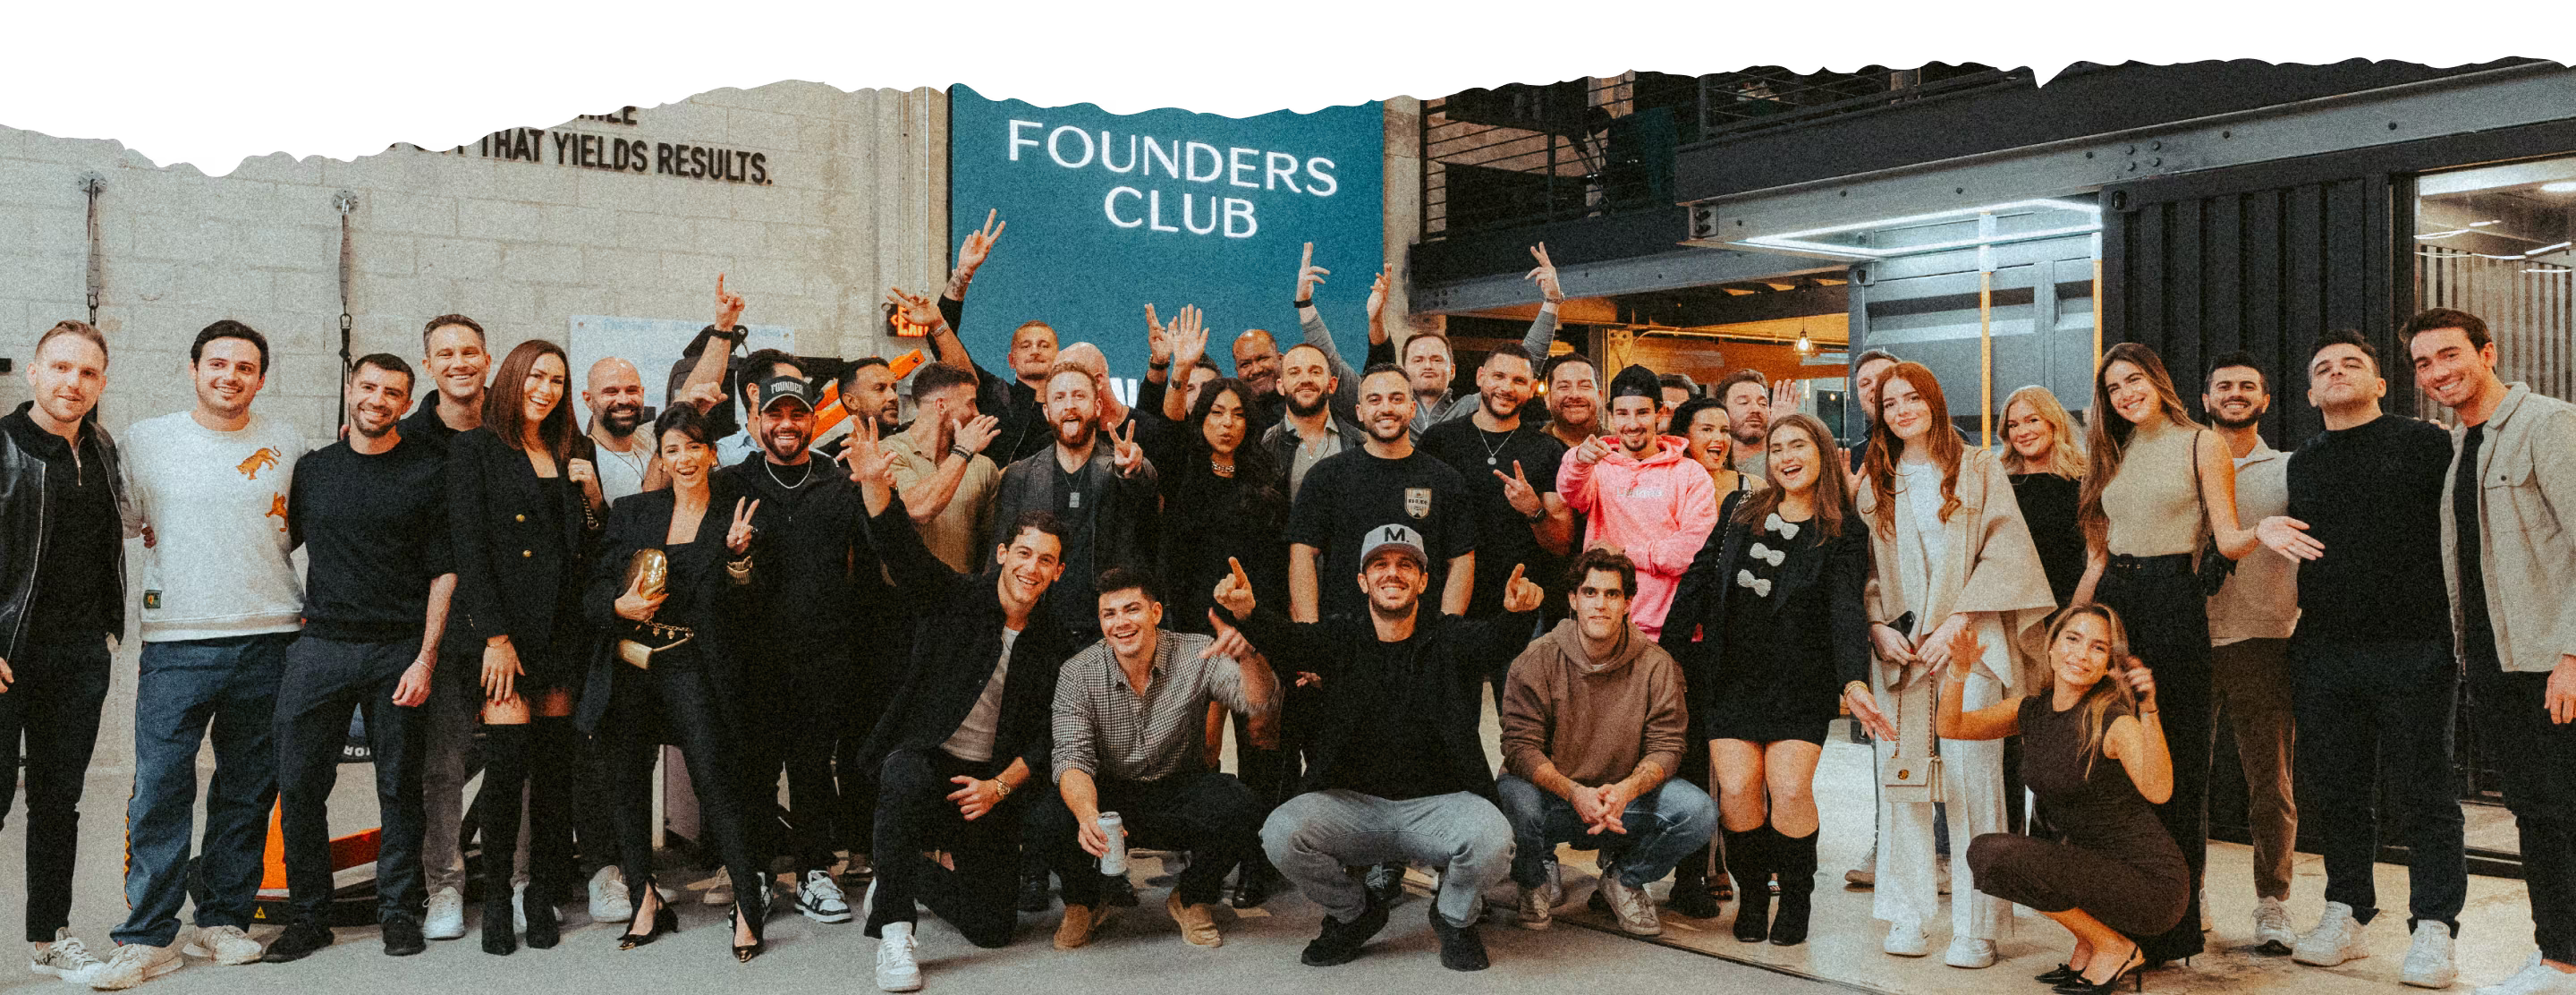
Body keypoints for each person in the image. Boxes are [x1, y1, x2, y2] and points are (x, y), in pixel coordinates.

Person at [2246, 330, 2466, 985]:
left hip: (2416, 645)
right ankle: (2346, 910)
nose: (2337, 373)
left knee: (2426, 793)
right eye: (2323, 368)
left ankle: (2434, 928)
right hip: (2325, 651)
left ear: (2379, 384)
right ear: (2311, 393)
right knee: (2339, 791)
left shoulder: (2425, 443)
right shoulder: (2302, 463)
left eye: (2353, 365)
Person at [1225, 525, 1546, 972]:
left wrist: (1516, 615)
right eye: (1380, 564)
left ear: (1423, 581)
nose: (1392, 574)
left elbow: (1496, 642)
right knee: (1280, 833)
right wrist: (1249, 612)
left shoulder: (1449, 637)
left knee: (1493, 838)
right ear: (1363, 581)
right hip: (1356, 808)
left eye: (1405, 565)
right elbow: (1290, 642)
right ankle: (1354, 914)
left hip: (1438, 806)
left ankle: (1453, 917)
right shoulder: (1341, 637)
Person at [94, 320, 308, 989]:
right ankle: (149, 933)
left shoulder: (288, 443)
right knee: (160, 786)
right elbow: (122, 524)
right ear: (193, 370)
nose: (230, 377)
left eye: (245, 368)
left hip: (271, 635)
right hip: (177, 641)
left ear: (261, 378)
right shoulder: (146, 442)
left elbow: (299, 524)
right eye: (217, 365)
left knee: (247, 789)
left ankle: (222, 919)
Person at [845, 428, 1078, 992]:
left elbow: (1051, 737)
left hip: (987, 785)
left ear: (1058, 573)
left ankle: (901, 872)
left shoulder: (1056, 642)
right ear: (1002, 555)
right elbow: (901, 549)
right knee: (903, 771)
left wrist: (1000, 786)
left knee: (994, 928)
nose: (1031, 567)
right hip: (926, 767)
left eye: (1046, 560)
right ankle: (896, 932)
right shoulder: (952, 599)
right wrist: (878, 489)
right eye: (1023, 553)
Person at [1849, 361, 2055, 968]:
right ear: (1880, 416)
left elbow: (2006, 555)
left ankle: (1978, 924)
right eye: (1891, 404)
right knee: (1904, 785)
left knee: (1975, 785)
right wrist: (1878, 626)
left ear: (1936, 402)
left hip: (1970, 646)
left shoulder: (1981, 469)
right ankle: (1910, 913)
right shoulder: (1873, 483)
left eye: (1914, 398)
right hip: (1903, 654)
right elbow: (1859, 571)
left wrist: (1960, 622)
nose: (1903, 410)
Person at [2071, 341, 2259, 968]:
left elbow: (2227, 536)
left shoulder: (2202, 441)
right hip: (2116, 605)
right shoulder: (2113, 452)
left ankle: (2171, 929)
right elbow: (2100, 552)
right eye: (2113, 388)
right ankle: (2113, 923)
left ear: (2158, 379)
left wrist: (2265, 533)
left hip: (2171, 603)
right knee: (2108, 762)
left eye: (2133, 380)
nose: (2125, 394)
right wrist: (2074, 623)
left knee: (2172, 763)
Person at [2406, 308, 2576, 995]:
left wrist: (2572, 655)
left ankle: (2561, 962)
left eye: (2450, 355)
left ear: (2488, 352)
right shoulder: (2461, 446)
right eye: (2422, 363)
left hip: (2549, 662)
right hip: (2496, 663)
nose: (2437, 372)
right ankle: (2562, 956)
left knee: (2555, 813)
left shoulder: (2549, 425)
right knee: (2539, 812)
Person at [258, 355, 451, 965]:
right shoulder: (313, 470)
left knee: (399, 787)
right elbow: (273, 539)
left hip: (397, 649)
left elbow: (445, 573)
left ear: (406, 401)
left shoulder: (428, 472)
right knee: (299, 783)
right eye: (368, 387)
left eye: (392, 392)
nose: (377, 399)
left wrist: (424, 659)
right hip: (320, 647)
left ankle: (398, 912)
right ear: (350, 389)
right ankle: (309, 916)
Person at [1664, 412, 1870, 946]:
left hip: (1800, 682)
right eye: (1776, 448)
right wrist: (1667, 656)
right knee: (1736, 790)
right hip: (1731, 675)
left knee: (1790, 787)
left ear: (1821, 451)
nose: (1785, 456)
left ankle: (1796, 897)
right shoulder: (1738, 510)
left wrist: (1853, 680)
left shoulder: (1844, 529)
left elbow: (1845, 609)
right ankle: (1753, 895)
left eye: (1798, 445)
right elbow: (1699, 576)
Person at [580, 405, 771, 960]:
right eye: (672, 449)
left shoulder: (735, 514)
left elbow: (751, 605)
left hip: (695, 664)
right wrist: (619, 605)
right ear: (659, 456)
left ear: (712, 453)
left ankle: (747, 902)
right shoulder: (634, 511)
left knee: (716, 780)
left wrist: (739, 559)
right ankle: (645, 898)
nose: (684, 459)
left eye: (695, 447)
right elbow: (592, 592)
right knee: (627, 782)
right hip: (633, 661)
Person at [445, 338, 606, 957]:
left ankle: (542, 895)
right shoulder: (476, 450)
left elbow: (595, 544)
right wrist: (493, 637)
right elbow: (471, 549)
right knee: (507, 770)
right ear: (512, 379)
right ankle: (495, 905)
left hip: (563, 631)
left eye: (558, 381)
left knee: (554, 774)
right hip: (506, 636)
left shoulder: (575, 449)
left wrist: (591, 494)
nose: (546, 389)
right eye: (537, 376)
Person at [716, 358, 883, 926]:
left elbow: (873, 563)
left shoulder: (840, 484)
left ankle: (815, 870)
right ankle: (758, 873)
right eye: (775, 414)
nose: (786, 423)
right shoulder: (732, 483)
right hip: (753, 657)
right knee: (755, 770)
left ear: (812, 420)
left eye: (797, 413)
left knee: (813, 767)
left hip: (824, 654)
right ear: (756, 419)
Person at [1945, 607, 2184, 995]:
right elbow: (1951, 726)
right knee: (1991, 856)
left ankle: (2114, 945)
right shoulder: (2030, 711)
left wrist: (2149, 708)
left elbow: (2159, 791)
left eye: (2097, 647)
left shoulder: (2114, 720)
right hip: (2094, 870)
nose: (2081, 654)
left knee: (1993, 854)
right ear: (2051, 648)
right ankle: (2092, 941)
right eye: (2072, 639)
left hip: (2150, 884)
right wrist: (1959, 669)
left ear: (2108, 664)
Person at [1038, 566, 1277, 949]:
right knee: (1047, 817)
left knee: (1242, 806)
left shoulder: (1196, 652)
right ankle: (1084, 900)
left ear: (1156, 612)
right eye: (1109, 614)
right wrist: (1086, 816)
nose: (1121, 623)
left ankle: (1191, 896)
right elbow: (1071, 757)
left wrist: (1248, 656)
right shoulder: (1077, 672)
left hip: (1177, 789)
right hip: (1109, 796)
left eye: (1131, 609)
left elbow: (1262, 702)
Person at [2, 321, 139, 986]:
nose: (72, 383)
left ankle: (48, 938)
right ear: (33, 372)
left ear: (101, 383)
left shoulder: (104, 447)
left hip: (80, 656)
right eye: (59, 368)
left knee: (58, 802)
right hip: (6, 657)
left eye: (86, 373)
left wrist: (106, 635)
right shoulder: (2, 446)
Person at [1132, 363, 1297, 908]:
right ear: (1202, 419)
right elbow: (1164, 426)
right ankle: (1208, 854)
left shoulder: (1264, 479)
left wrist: (1266, 627)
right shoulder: (1180, 472)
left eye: (1237, 415)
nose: (1227, 424)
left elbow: (1275, 562)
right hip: (1191, 633)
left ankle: (1257, 857)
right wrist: (1176, 368)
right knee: (1201, 746)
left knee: (1260, 739)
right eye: (1216, 413)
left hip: (1254, 627)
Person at [1496, 548, 1715, 938]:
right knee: (1511, 797)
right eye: (1591, 593)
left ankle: (1624, 879)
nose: (1600, 604)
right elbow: (1519, 746)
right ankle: (1534, 877)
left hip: (1621, 802)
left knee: (1698, 812)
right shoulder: (1537, 658)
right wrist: (1573, 790)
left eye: (1612, 595)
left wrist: (1628, 789)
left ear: (1629, 603)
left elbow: (1668, 745)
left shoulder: (1657, 664)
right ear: (1573, 599)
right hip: (1555, 797)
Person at [2198, 353, 2301, 955]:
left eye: (2247, 387)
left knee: (2271, 781)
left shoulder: (2287, 470)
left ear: (2264, 398)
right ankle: (2191, 890)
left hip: (2263, 641)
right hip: (2189, 639)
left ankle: (2273, 902)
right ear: (2205, 397)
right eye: (2224, 386)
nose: (2235, 394)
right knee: (2189, 779)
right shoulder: (2184, 459)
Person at [404, 313, 496, 941]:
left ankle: (522, 881)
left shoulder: (516, 430)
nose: (459, 362)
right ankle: (444, 885)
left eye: (470, 351)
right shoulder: (405, 440)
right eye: (446, 353)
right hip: (439, 629)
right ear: (429, 366)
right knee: (442, 766)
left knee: (519, 760)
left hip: (508, 628)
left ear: (487, 359)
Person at [1298, 242, 1562, 435]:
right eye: (1418, 359)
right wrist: (1305, 303)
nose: (1428, 365)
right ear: (1403, 369)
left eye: (1437, 359)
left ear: (1453, 370)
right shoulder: (1379, 404)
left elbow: (1524, 364)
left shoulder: (1472, 408)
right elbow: (1329, 363)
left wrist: (1551, 302)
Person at [1286, 365, 1478, 625]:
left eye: (1396, 399)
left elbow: (1462, 561)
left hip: (1422, 645)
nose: (1386, 408)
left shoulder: (1446, 480)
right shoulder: (1326, 476)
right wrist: (1309, 636)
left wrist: (1446, 634)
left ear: (1412, 408)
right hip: (1344, 639)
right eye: (1374, 400)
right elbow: (1302, 555)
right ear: (1360, 412)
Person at [989, 361, 1157, 651]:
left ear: (1097, 406)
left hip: (1107, 632)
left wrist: (1133, 468)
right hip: (1036, 631)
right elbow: (998, 561)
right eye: (1059, 397)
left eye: (1079, 396)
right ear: (1046, 411)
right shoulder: (1020, 474)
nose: (1069, 405)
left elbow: (1145, 488)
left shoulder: (1120, 467)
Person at [1557, 365, 1719, 640]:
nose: (1632, 424)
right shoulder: (1597, 466)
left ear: (1660, 412)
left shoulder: (1691, 474)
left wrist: (1622, 552)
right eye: (1622, 413)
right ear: (1610, 414)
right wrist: (1577, 460)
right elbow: (1570, 493)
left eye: (1642, 412)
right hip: (1604, 628)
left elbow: (1693, 552)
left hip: (1673, 630)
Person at [1419, 345, 1573, 628]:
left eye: (1518, 381)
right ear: (1480, 377)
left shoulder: (1548, 451)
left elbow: (1562, 544)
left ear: (1530, 389)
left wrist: (1534, 510)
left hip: (1518, 608)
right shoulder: (1438, 441)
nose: (1507, 388)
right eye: (1498, 376)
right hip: (1447, 602)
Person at [915, 211, 1055, 465]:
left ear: (1059, 358)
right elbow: (943, 340)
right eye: (1026, 345)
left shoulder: (1070, 408)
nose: (1035, 350)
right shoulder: (993, 394)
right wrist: (963, 275)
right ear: (1011, 360)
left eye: (1044, 345)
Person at [882, 361, 1004, 573]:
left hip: (960, 599)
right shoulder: (888, 452)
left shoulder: (984, 468)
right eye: (971, 403)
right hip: (899, 599)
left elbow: (990, 547)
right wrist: (963, 451)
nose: (977, 413)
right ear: (941, 406)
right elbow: (917, 509)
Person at [2001, 386, 2089, 609]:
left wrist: (2076, 611)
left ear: (2053, 422)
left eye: (2032, 420)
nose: (2022, 432)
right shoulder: (1998, 482)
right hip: (2012, 604)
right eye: (2013, 425)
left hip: (2068, 603)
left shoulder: (2083, 480)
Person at [1259, 341, 1363, 503]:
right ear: (1280, 386)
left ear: (1332, 384)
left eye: (1315, 372)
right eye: (1294, 373)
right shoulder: (1263, 447)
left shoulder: (1361, 443)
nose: (1305, 379)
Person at [583, 357, 652, 502]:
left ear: (642, 393)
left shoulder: (650, 436)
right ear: (589, 400)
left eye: (632, 390)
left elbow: (687, 399)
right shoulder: (583, 459)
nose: (624, 400)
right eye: (611, 392)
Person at [1845, 349, 1901, 472]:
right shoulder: (1855, 457)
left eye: (1884, 377)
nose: (1875, 386)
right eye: (1865, 383)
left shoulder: (1947, 439)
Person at [1714, 370, 1772, 479]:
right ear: (1723, 411)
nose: (1756, 409)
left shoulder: (1781, 462)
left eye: (1762, 404)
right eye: (1743, 402)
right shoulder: (1711, 463)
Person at [1543, 353, 1604, 451]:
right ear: (1547, 399)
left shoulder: (1622, 448)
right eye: (1564, 387)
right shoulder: (1529, 452)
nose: (1575, 395)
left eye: (1585, 386)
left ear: (1600, 397)